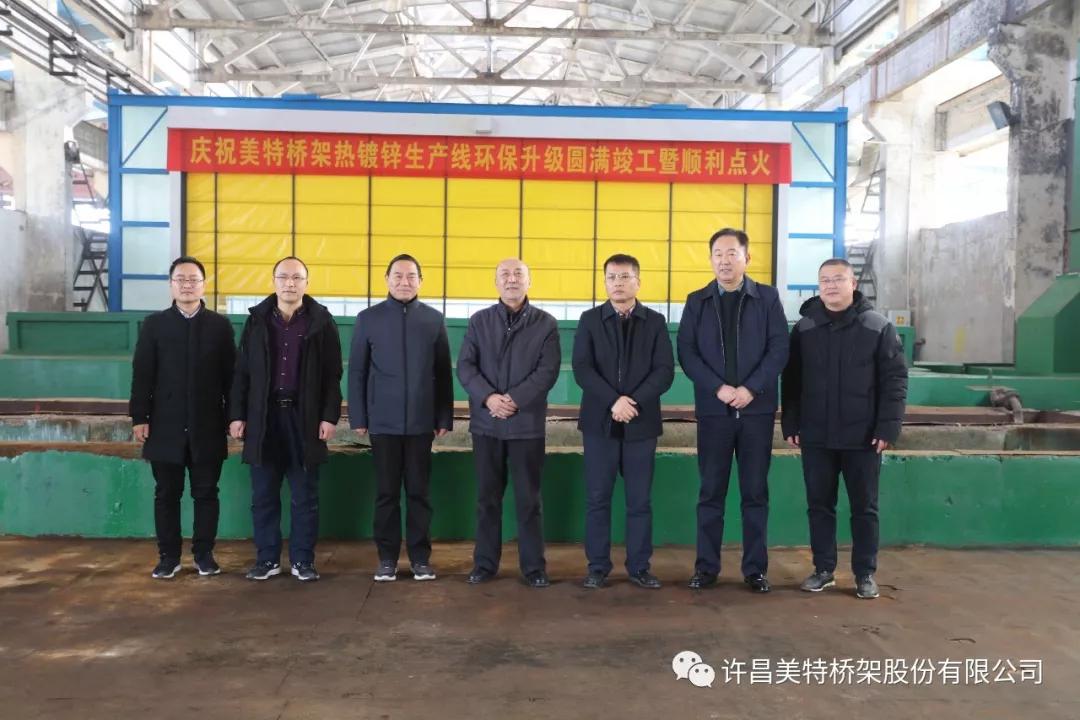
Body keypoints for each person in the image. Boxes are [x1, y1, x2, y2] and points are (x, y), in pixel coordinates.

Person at [781, 258, 908, 600]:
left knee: (865, 508)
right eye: (825, 280)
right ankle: (823, 570)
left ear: (853, 284)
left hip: (863, 436)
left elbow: (895, 380)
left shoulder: (878, 327)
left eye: (838, 279)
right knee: (819, 505)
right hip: (816, 435)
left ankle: (865, 573)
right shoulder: (805, 329)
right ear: (819, 286)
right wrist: (791, 422)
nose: (831, 285)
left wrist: (887, 427)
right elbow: (791, 381)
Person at [677, 228, 789, 593]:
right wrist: (718, 388)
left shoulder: (767, 298)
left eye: (732, 254)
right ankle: (706, 568)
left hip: (756, 413)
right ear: (710, 259)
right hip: (714, 412)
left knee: (755, 494)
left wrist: (751, 388)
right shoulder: (696, 301)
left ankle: (755, 570)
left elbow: (779, 349)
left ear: (747, 258)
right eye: (718, 254)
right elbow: (687, 353)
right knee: (711, 493)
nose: (724, 261)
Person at [229, 256, 342, 582]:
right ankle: (267, 559)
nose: (290, 283)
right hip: (263, 418)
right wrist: (237, 414)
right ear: (274, 281)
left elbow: (332, 375)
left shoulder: (322, 322)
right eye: (283, 277)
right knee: (263, 495)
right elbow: (242, 372)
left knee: (304, 495)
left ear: (306, 283)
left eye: (296, 278)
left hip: (304, 418)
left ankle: (303, 561)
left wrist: (329, 416)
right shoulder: (257, 321)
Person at [349, 254, 453, 583]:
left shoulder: (433, 320)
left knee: (420, 493)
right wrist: (359, 416)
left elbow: (443, 372)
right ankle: (387, 559)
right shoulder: (368, 319)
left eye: (411, 276)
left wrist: (444, 416)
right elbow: (358, 371)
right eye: (398, 275)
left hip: (422, 423)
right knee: (386, 493)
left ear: (420, 281)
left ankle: (421, 559)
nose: (404, 281)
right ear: (387, 279)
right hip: (383, 423)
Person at [572, 254, 674, 590]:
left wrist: (633, 402)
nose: (618, 283)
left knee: (639, 501)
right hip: (599, 424)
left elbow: (664, 371)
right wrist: (613, 401)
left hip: (641, 424)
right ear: (605, 282)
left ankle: (640, 567)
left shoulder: (655, 322)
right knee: (597, 499)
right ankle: (597, 567)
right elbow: (582, 368)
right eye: (612, 277)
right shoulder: (589, 320)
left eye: (625, 276)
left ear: (638, 282)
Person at [457, 258, 560, 588]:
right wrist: (489, 398)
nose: (511, 279)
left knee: (529, 500)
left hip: (526, 426)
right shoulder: (479, 321)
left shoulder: (546, 324)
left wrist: (514, 399)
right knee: (487, 499)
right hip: (486, 425)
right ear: (496, 282)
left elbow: (547, 371)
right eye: (505, 274)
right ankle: (485, 564)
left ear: (529, 282)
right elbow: (466, 367)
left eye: (518, 274)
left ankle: (534, 568)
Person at [130, 256, 236, 579]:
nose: (187, 285)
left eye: (193, 280)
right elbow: (142, 374)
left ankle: (204, 555)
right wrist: (139, 417)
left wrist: (234, 417)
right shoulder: (154, 325)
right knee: (166, 494)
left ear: (203, 285)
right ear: (171, 285)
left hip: (208, 425)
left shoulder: (219, 326)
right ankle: (169, 557)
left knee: (206, 493)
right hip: (165, 426)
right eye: (181, 279)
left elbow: (231, 378)